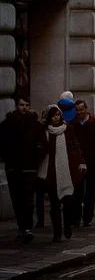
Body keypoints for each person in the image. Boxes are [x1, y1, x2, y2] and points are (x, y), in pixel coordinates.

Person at [0, 98, 46, 242]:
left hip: (29, 167)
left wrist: (36, 157)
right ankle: (21, 227)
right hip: (13, 167)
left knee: (27, 199)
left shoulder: (35, 124)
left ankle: (27, 227)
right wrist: (6, 156)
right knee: (16, 198)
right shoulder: (8, 123)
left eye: (26, 105)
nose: (24, 108)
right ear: (17, 106)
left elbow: (44, 145)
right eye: (21, 105)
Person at [38, 106, 84, 242]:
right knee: (54, 205)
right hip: (52, 172)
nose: (56, 117)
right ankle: (57, 233)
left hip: (66, 170)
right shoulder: (45, 131)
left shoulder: (67, 129)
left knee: (68, 202)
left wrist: (81, 161)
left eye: (58, 115)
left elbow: (75, 147)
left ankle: (67, 226)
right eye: (53, 115)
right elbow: (42, 150)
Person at [71, 100, 95, 228]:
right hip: (78, 164)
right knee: (77, 192)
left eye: (81, 109)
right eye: (77, 110)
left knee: (90, 193)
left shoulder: (94, 124)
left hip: (92, 163)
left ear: (86, 109)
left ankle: (87, 219)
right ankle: (76, 219)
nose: (79, 112)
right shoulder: (73, 124)